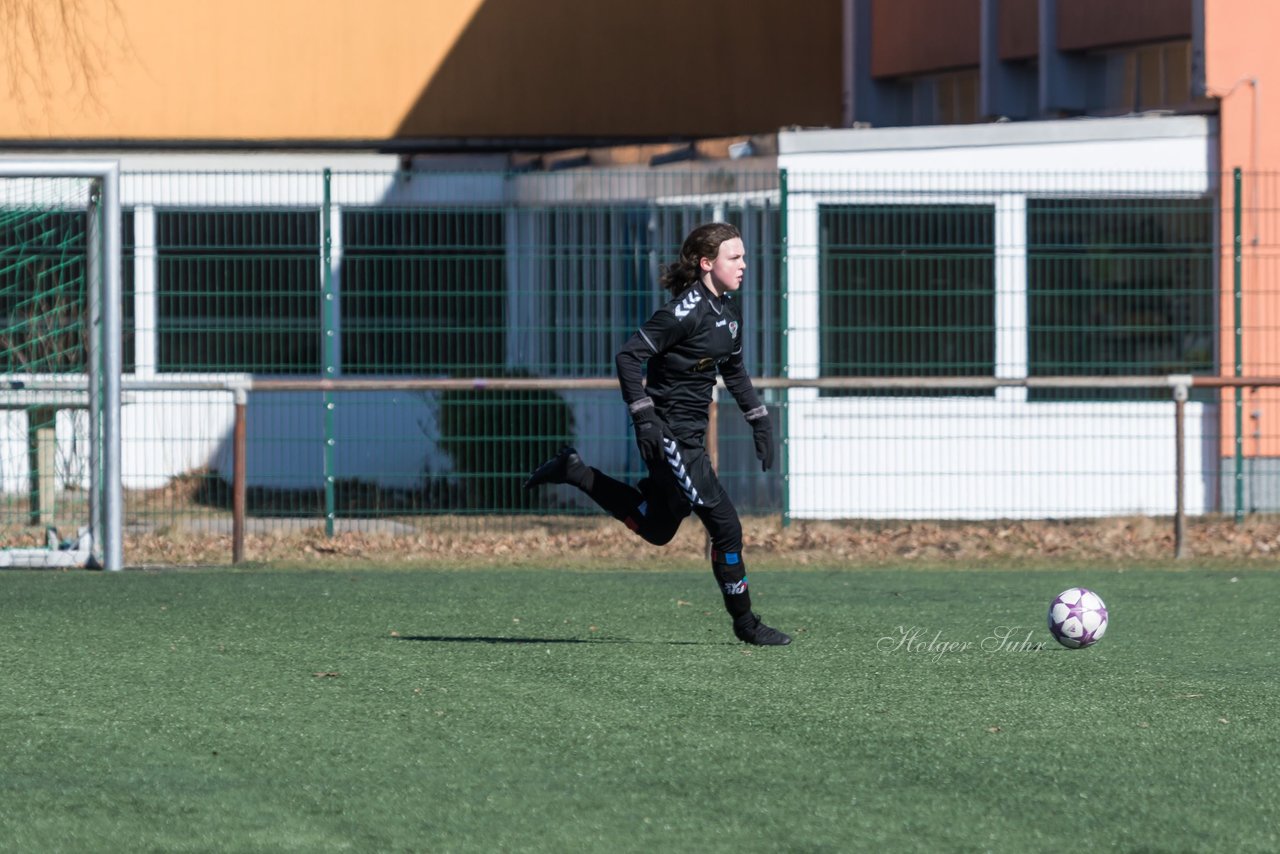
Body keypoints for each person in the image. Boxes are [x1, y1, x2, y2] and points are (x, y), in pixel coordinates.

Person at [523, 222, 790, 646]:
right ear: (707, 263)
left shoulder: (728, 313)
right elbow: (629, 357)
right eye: (734, 257)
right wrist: (645, 416)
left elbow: (734, 371)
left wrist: (759, 419)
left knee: (659, 529)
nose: (744, 265)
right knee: (726, 526)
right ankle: (746, 624)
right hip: (667, 435)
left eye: (743, 256)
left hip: (687, 436)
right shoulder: (683, 312)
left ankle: (576, 472)